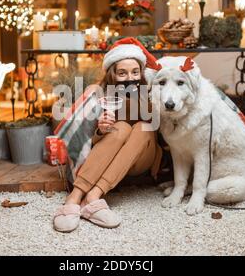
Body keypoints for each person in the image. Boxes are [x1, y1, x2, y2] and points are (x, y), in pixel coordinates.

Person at [53, 38, 163, 233]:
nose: (130, 77)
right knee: (120, 127)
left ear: (141, 72)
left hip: (143, 157)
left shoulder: (152, 93)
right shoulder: (102, 97)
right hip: (111, 158)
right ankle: (77, 197)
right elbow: (92, 141)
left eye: (135, 72)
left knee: (141, 128)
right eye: (123, 73)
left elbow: (159, 131)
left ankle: (93, 195)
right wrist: (101, 130)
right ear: (113, 74)